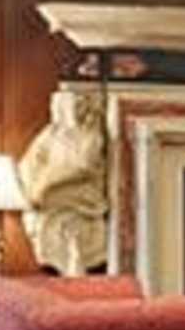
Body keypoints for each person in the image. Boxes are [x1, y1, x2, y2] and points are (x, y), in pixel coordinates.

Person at [14, 80, 112, 275]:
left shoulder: (89, 135)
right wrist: (35, 187)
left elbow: (84, 164)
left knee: (74, 246)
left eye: (80, 105)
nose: (74, 110)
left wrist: (46, 185)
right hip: (50, 206)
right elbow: (28, 163)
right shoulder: (52, 133)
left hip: (78, 204)